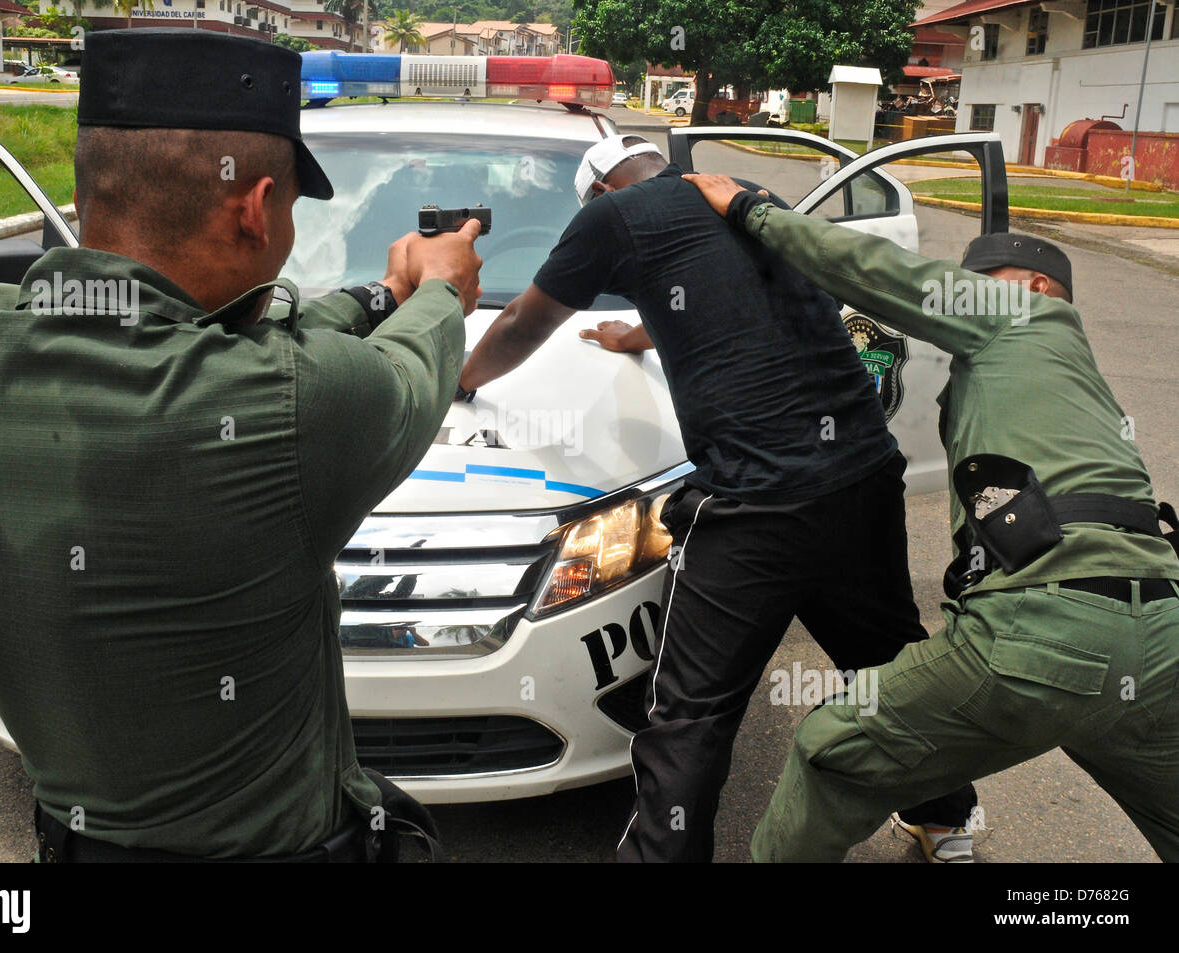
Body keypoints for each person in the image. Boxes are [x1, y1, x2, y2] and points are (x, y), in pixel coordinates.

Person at [0, 28, 482, 861]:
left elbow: (220, 336)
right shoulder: (295, 404)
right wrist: (439, 289)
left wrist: (376, 292)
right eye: (287, 207)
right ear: (252, 208)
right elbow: (399, 373)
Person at [458, 135, 979, 863]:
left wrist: (461, 381)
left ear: (603, 192)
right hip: (861, 469)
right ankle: (947, 818)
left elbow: (521, 323)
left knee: (690, 714)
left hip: (755, 502)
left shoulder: (613, 218)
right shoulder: (734, 192)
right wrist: (637, 332)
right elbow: (727, 291)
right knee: (886, 659)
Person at [684, 172, 1179, 862]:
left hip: (1048, 631)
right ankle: (940, 817)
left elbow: (877, 269)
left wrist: (752, 211)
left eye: (979, 280)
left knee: (833, 749)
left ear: (1035, 287)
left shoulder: (1021, 315)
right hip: (1161, 635)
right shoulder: (1066, 373)